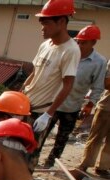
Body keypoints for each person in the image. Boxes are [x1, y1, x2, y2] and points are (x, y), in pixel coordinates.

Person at [40, 25, 106, 168]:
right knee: (41, 134)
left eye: (84, 42)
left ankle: (50, 163)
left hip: (72, 106)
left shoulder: (99, 62)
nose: (80, 45)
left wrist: (90, 105)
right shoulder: (69, 53)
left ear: (93, 43)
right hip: (52, 103)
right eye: (79, 41)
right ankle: (32, 158)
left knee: (62, 138)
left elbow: (98, 86)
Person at [22, 0, 79, 166]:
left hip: (41, 112)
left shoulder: (70, 50)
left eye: (46, 23)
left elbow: (68, 85)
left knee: (29, 155)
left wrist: (48, 114)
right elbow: (34, 73)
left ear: (61, 22)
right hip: (26, 106)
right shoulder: (45, 45)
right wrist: (20, 95)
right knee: (15, 149)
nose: (42, 28)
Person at [78, 58, 110, 178]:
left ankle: (103, 167)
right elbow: (106, 83)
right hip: (106, 107)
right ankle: (85, 164)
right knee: (96, 137)